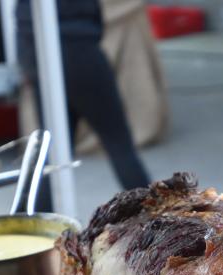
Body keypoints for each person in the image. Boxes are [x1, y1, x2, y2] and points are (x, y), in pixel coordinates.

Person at [15, 0, 151, 212]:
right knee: (118, 143)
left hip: (41, 53)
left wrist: (28, 63)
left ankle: (32, 226)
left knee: (53, 153)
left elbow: (23, 16)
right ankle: (154, 214)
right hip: (78, 49)